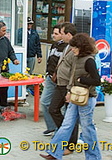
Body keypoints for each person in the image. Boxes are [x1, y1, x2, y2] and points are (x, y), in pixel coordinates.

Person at [41, 33, 101, 160]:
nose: (72, 49)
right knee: (66, 125)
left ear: (81, 47)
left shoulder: (89, 60)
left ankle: (94, 157)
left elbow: (97, 80)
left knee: (87, 129)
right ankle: (54, 153)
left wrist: (82, 80)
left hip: (86, 98)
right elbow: (72, 77)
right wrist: (69, 92)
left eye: (74, 47)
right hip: (74, 97)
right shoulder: (76, 58)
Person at [48, 23, 78, 155]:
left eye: (62, 33)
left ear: (69, 35)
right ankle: (64, 135)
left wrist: (71, 89)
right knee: (54, 109)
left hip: (67, 85)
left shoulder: (75, 48)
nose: (60, 35)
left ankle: (70, 143)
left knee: (70, 115)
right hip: (60, 83)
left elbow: (75, 70)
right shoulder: (67, 46)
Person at [40, 23, 66, 136]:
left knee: (61, 107)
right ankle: (51, 126)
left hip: (61, 80)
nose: (53, 35)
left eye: (56, 33)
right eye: (53, 33)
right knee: (44, 102)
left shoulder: (67, 47)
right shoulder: (54, 45)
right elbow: (50, 60)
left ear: (63, 34)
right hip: (50, 78)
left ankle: (61, 130)